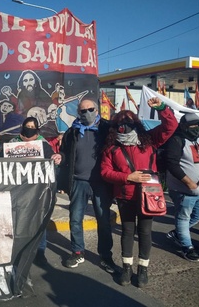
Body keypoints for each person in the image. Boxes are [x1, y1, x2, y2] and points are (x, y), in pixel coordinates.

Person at [101, 97, 177, 287]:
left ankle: (143, 269)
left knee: (145, 232)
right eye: (121, 122)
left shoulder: (149, 140)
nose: (125, 125)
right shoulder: (111, 148)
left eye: (129, 121)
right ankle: (127, 268)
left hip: (148, 195)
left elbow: (171, 126)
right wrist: (128, 177)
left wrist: (161, 107)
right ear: (115, 126)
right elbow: (105, 172)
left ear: (136, 123)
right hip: (125, 195)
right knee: (127, 232)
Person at [58, 98, 115, 273]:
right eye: (83, 111)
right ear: (78, 113)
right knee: (75, 219)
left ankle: (106, 256)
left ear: (97, 111)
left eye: (90, 109)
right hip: (78, 182)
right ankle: (77, 251)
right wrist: (59, 158)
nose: (87, 113)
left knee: (103, 221)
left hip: (101, 183)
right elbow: (65, 154)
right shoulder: (72, 131)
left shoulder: (107, 129)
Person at [9, 116, 62, 264]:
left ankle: (40, 251)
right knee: (17, 220)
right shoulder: (13, 143)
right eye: (27, 126)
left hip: (37, 190)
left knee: (39, 220)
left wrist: (56, 157)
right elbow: (2, 159)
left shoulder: (43, 144)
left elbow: (51, 159)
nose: (29, 128)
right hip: (17, 189)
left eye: (33, 126)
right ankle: (17, 250)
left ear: (37, 129)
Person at [164, 113, 199, 262]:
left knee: (198, 215)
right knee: (183, 217)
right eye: (191, 126)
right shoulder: (176, 140)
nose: (195, 128)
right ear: (184, 127)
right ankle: (187, 247)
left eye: (197, 125)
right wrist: (188, 182)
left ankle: (178, 233)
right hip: (183, 190)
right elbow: (172, 164)